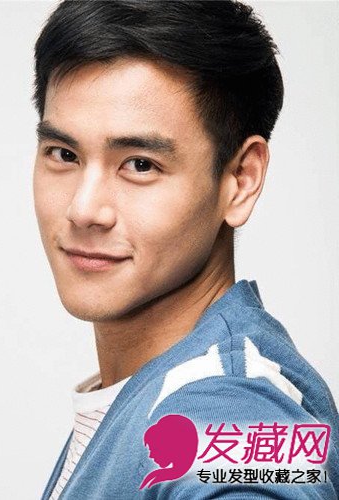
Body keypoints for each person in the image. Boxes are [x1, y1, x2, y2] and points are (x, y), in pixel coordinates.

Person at [32, 1, 339, 498]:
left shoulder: (233, 412)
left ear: (240, 180)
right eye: (64, 154)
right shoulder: (153, 390)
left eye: (140, 164)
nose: (83, 209)